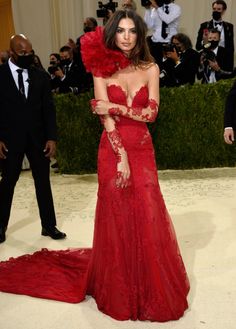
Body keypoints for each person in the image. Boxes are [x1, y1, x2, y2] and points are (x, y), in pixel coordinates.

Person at [0, 11, 189, 322]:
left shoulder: (151, 68)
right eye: (121, 31)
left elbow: (151, 114)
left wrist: (114, 106)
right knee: (117, 216)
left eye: (132, 31)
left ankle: (147, 284)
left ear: (140, 35)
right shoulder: (101, 67)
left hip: (142, 149)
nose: (126, 36)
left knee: (148, 211)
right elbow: (106, 121)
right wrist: (120, 155)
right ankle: (120, 287)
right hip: (113, 148)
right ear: (112, 34)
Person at [0, 34, 66, 243]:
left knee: (43, 182)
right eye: (23, 53)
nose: (28, 56)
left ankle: (48, 225)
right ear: (12, 53)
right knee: (8, 182)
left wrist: (52, 138)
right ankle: (0, 226)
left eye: (30, 52)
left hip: (38, 139)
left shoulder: (40, 76)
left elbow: (49, 110)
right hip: (9, 140)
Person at [195, 0, 234, 71]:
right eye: (214, 9)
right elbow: (198, 46)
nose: (216, 11)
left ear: (224, 11)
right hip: (209, 59)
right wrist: (205, 42)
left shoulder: (229, 27)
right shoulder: (205, 26)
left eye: (219, 9)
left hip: (224, 60)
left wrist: (230, 66)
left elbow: (231, 47)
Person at [144, 0, 181, 68]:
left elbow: (167, 19)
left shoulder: (176, 8)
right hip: (155, 43)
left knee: (169, 68)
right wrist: (148, 9)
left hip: (169, 44)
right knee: (155, 67)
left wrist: (157, 8)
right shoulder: (154, 9)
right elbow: (148, 25)